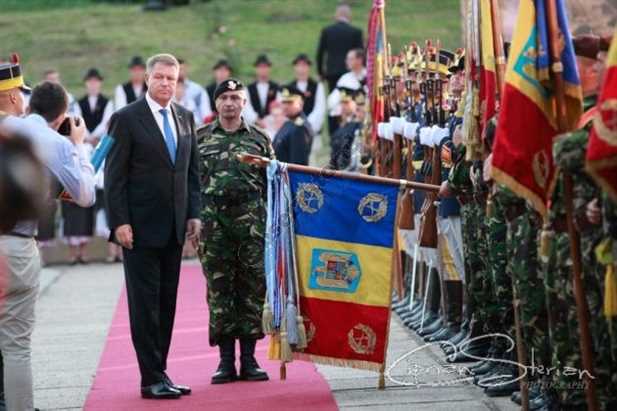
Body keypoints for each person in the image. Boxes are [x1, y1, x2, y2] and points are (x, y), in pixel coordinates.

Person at [0, 56, 96, 411]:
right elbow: (85, 195)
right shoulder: (44, 139)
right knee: (15, 344)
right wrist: (77, 144)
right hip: (14, 245)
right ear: (14, 96)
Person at [104, 53, 201, 400]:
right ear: (147, 79)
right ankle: (150, 379)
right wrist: (119, 222)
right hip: (139, 230)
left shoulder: (185, 117)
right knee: (145, 306)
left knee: (166, 304)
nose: (165, 83)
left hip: (174, 229)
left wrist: (194, 213)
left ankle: (161, 371)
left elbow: (191, 173)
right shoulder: (125, 119)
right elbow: (114, 176)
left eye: (171, 79)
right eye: (159, 77)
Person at [196, 78, 273, 384]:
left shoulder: (260, 139)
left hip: (251, 226)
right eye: (224, 97)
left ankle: (250, 359)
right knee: (220, 291)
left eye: (235, 97)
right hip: (213, 226)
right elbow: (189, 184)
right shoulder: (200, 138)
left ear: (244, 102)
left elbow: (272, 184)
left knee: (252, 289)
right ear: (216, 103)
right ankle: (225, 361)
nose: (229, 103)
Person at [316, 2, 363, 92]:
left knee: (334, 96)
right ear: (349, 16)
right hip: (350, 71)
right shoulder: (356, 32)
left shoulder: (327, 31)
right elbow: (360, 54)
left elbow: (320, 53)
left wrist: (320, 72)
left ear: (336, 15)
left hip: (332, 72)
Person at [326, 48, 366, 136]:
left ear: (359, 60)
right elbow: (331, 101)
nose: (347, 61)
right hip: (350, 124)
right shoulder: (345, 79)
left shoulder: (369, 77)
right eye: (347, 59)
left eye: (350, 59)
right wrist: (343, 109)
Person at [272, 86, 314, 165]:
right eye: (284, 102)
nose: (285, 106)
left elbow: (297, 165)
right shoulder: (288, 123)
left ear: (301, 104)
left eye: (290, 102)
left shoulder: (300, 128)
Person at [286, 53, 326, 135]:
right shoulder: (289, 88)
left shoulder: (317, 86)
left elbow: (320, 108)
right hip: (293, 132)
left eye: (304, 65)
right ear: (295, 67)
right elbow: (286, 111)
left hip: (313, 131)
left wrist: (307, 125)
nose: (301, 69)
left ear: (308, 67)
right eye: (299, 65)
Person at [244, 54, 279, 126]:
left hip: (272, 125)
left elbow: (279, 105)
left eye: (265, 67)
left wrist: (268, 121)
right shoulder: (248, 89)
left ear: (269, 68)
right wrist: (256, 120)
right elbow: (246, 107)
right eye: (260, 67)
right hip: (253, 126)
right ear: (256, 69)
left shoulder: (276, 88)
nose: (263, 70)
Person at [178, 58, 211, 126]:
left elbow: (206, 114)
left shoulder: (197, 90)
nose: (179, 72)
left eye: (182, 69)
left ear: (186, 69)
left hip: (195, 127)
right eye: (177, 69)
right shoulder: (165, 90)